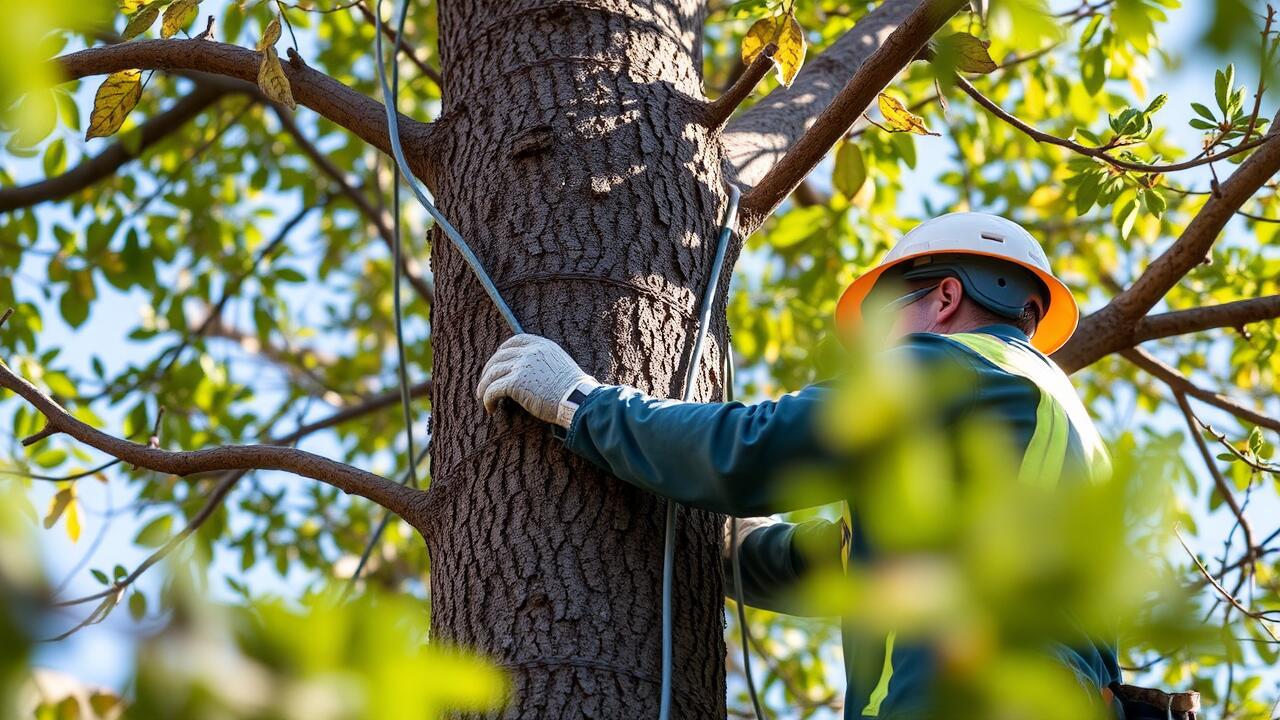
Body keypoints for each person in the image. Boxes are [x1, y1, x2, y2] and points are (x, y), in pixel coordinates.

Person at [475, 212, 1121, 718]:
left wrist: (585, 405)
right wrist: (724, 549)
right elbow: (843, 566)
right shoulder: (1043, 423)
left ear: (946, 297)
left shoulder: (951, 366)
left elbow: (765, 446)